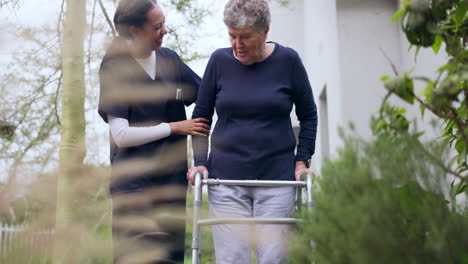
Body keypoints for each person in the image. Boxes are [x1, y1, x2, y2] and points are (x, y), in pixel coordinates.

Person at [187, 0, 318, 263]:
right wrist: (200, 162)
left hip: (276, 180)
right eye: (232, 36)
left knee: (273, 258)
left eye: (245, 36)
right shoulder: (218, 61)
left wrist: (302, 159)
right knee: (233, 258)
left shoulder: (288, 61)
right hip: (226, 182)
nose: (237, 44)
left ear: (265, 31)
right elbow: (201, 118)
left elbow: (309, 115)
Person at [98, 0, 209, 263]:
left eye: (164, 23)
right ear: (135, 31)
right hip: (134, 189)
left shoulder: (170, 61)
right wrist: (174, 127)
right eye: (157, 26)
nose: (165, 30)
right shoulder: (114, 67)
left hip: (170, 185)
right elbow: (121, 134)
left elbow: (207, 96)